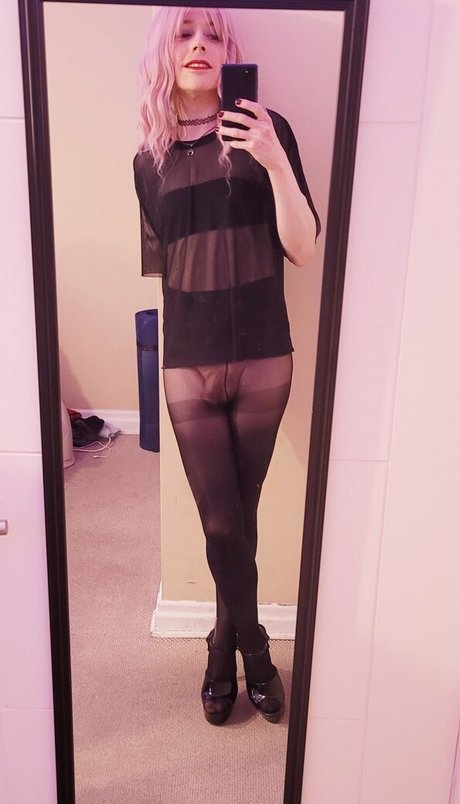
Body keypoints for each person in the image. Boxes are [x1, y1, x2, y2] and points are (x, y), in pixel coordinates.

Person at [134, 6, 320, 726]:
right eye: (185, 32)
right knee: (222, 525)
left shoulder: (268, 132)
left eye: (212, 34)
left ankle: (221, 648)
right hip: (189, 358)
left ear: (228, 52)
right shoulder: (146, 162)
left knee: (241, 515)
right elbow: (164, 265)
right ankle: (251, 648)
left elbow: (302, 247)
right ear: (166, 51)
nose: (200, 45)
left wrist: (274, 160)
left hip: (263, 354)